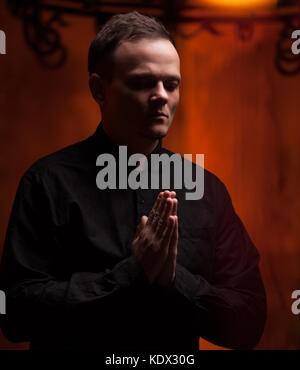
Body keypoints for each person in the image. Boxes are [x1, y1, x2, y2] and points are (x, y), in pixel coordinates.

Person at [0, 11, 266, 351]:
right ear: (99, 89)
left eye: (171, 84)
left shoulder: (208, 190)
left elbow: (250, 322)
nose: (161, 96)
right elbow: (15, 313)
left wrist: (174, 280)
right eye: (143, 83)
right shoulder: (47, 183)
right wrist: (130, 275)